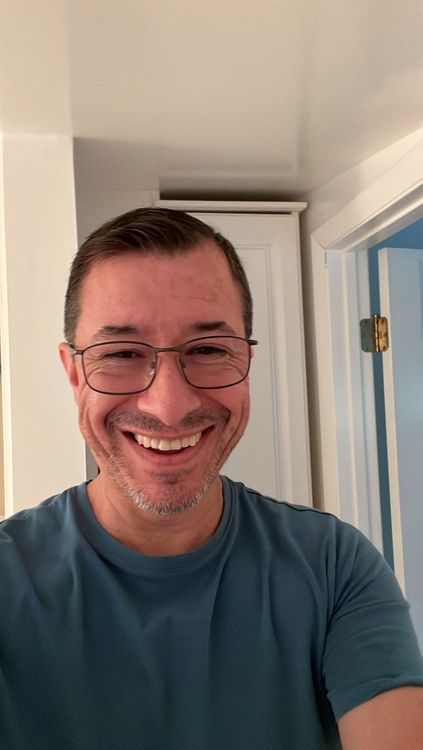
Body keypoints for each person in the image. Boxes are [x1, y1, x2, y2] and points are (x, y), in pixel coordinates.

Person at [1, 208, 422, 750]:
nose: (169, 406)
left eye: (207, 350)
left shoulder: (333, 566)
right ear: (74, 373)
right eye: (122, 353)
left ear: (246, 359)